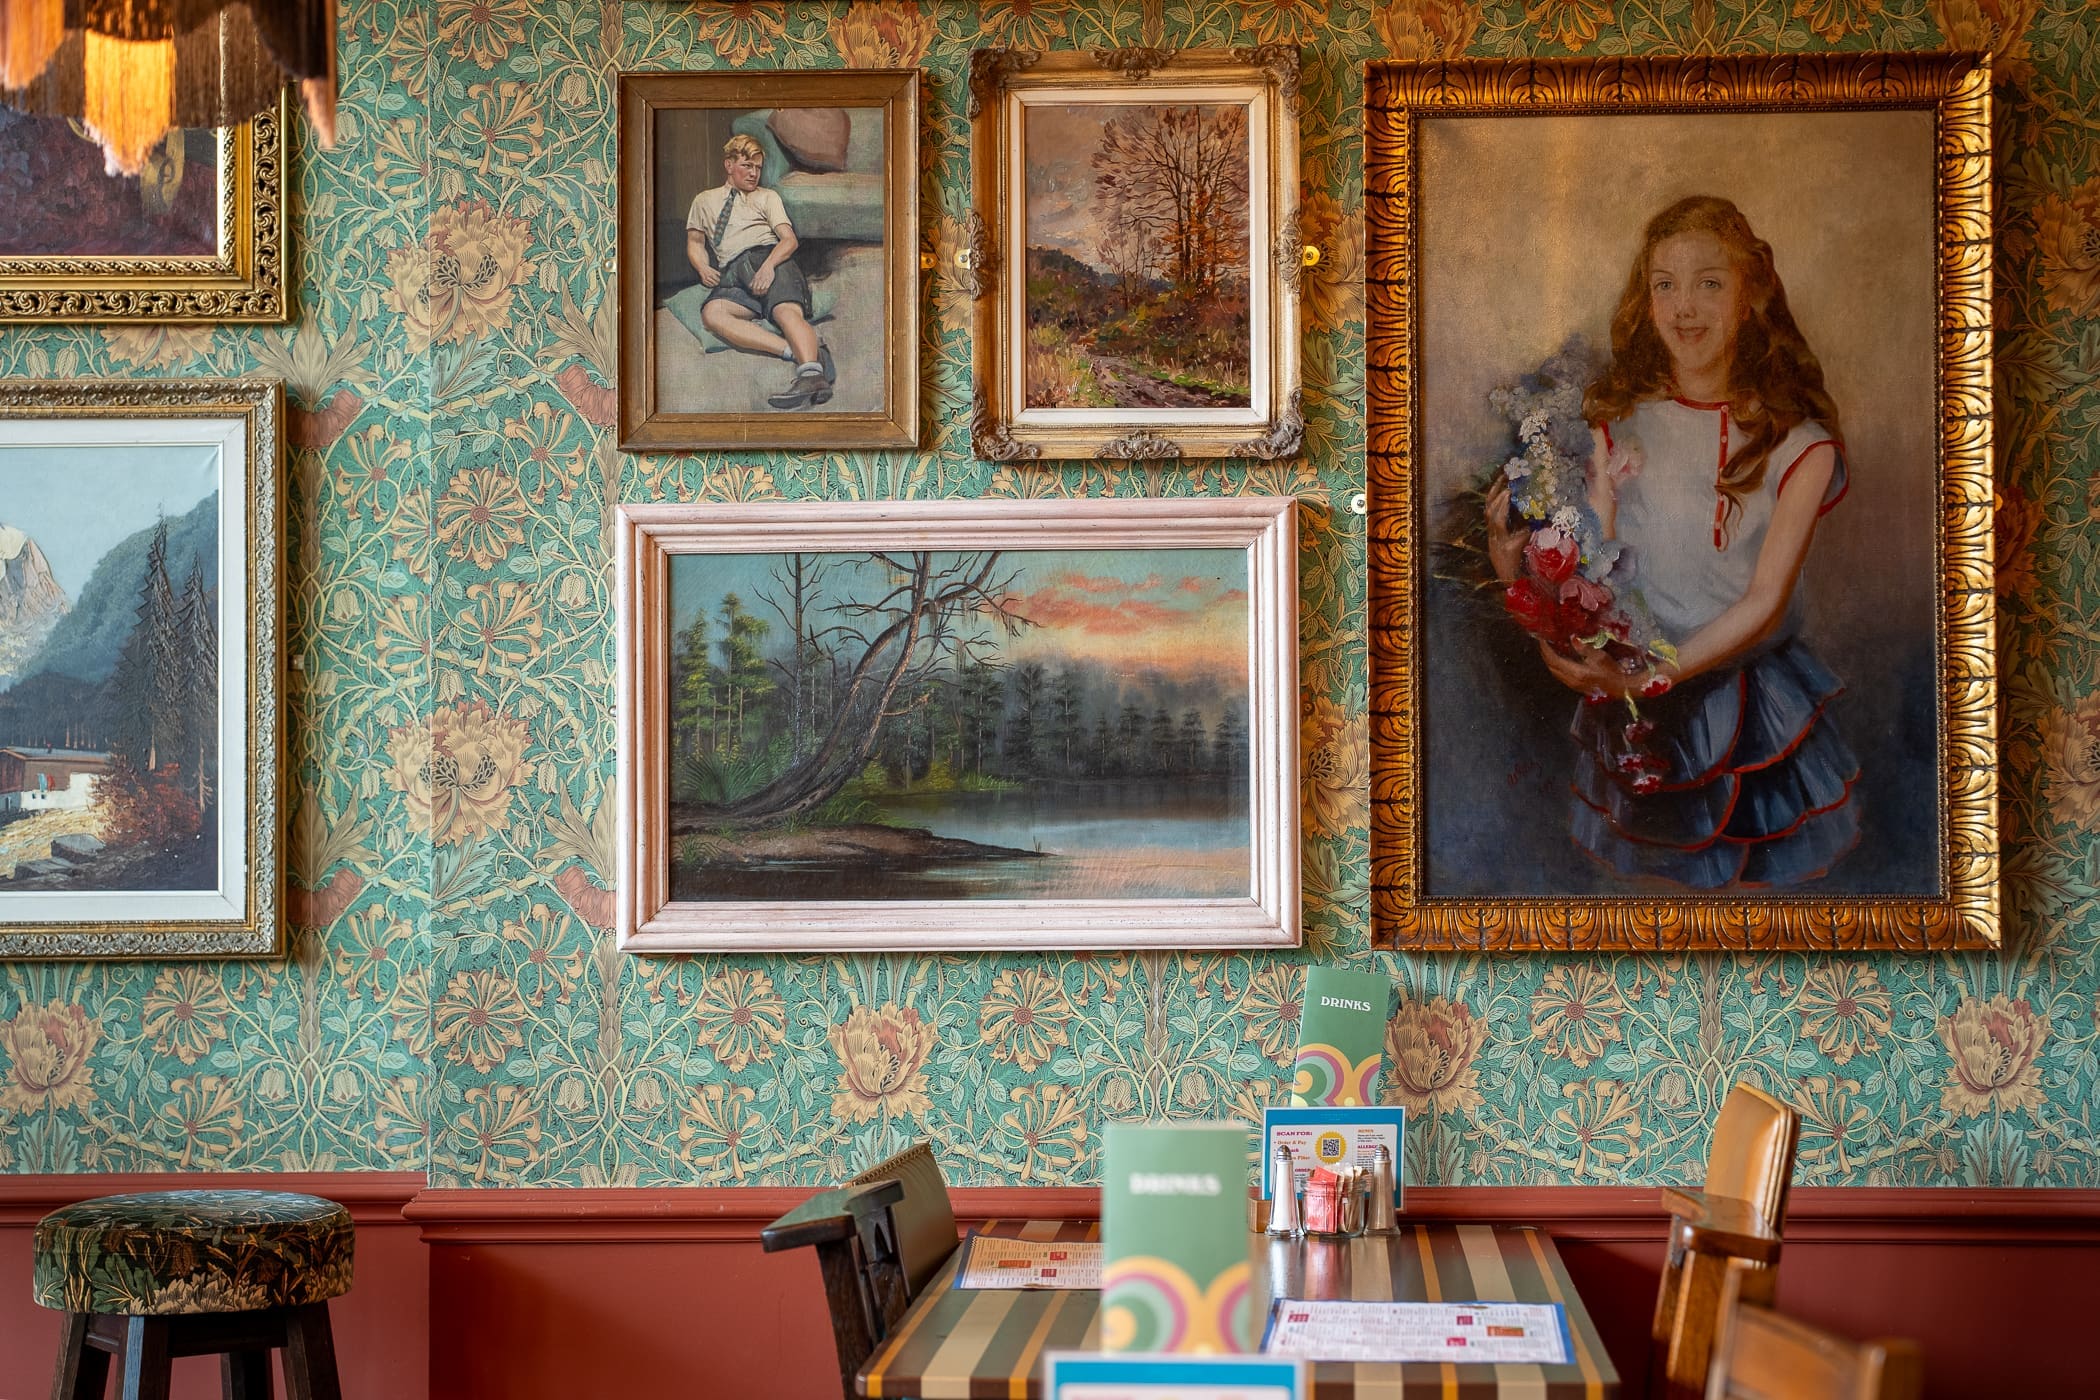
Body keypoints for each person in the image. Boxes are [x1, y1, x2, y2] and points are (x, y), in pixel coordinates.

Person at [1486, 195, 1858, 888]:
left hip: (1747, 706)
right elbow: (1595, 563)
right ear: (1646, 299)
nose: (1685, 307)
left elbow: (1765, 603)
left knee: (1754, 907)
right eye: (1666, 285)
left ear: (1750, 297)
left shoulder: (1799, 446)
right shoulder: (1615, 420)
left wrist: (1649, 675)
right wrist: (1518, 571)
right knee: (1648, 904)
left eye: (1709, 283)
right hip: (1635, 704)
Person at [686, 133, 835, 411]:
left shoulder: (767, 197)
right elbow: (695, 242)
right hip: (732, 271)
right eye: (747, 166)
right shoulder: (704, 201)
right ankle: (803, 356)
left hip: (769, 258)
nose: (754, 173)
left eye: (758, 167)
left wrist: (768, 267)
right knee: (712, 313)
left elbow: (789, 240)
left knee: (785, 312)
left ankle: (810, 374)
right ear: (729, 165)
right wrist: (702, 266)